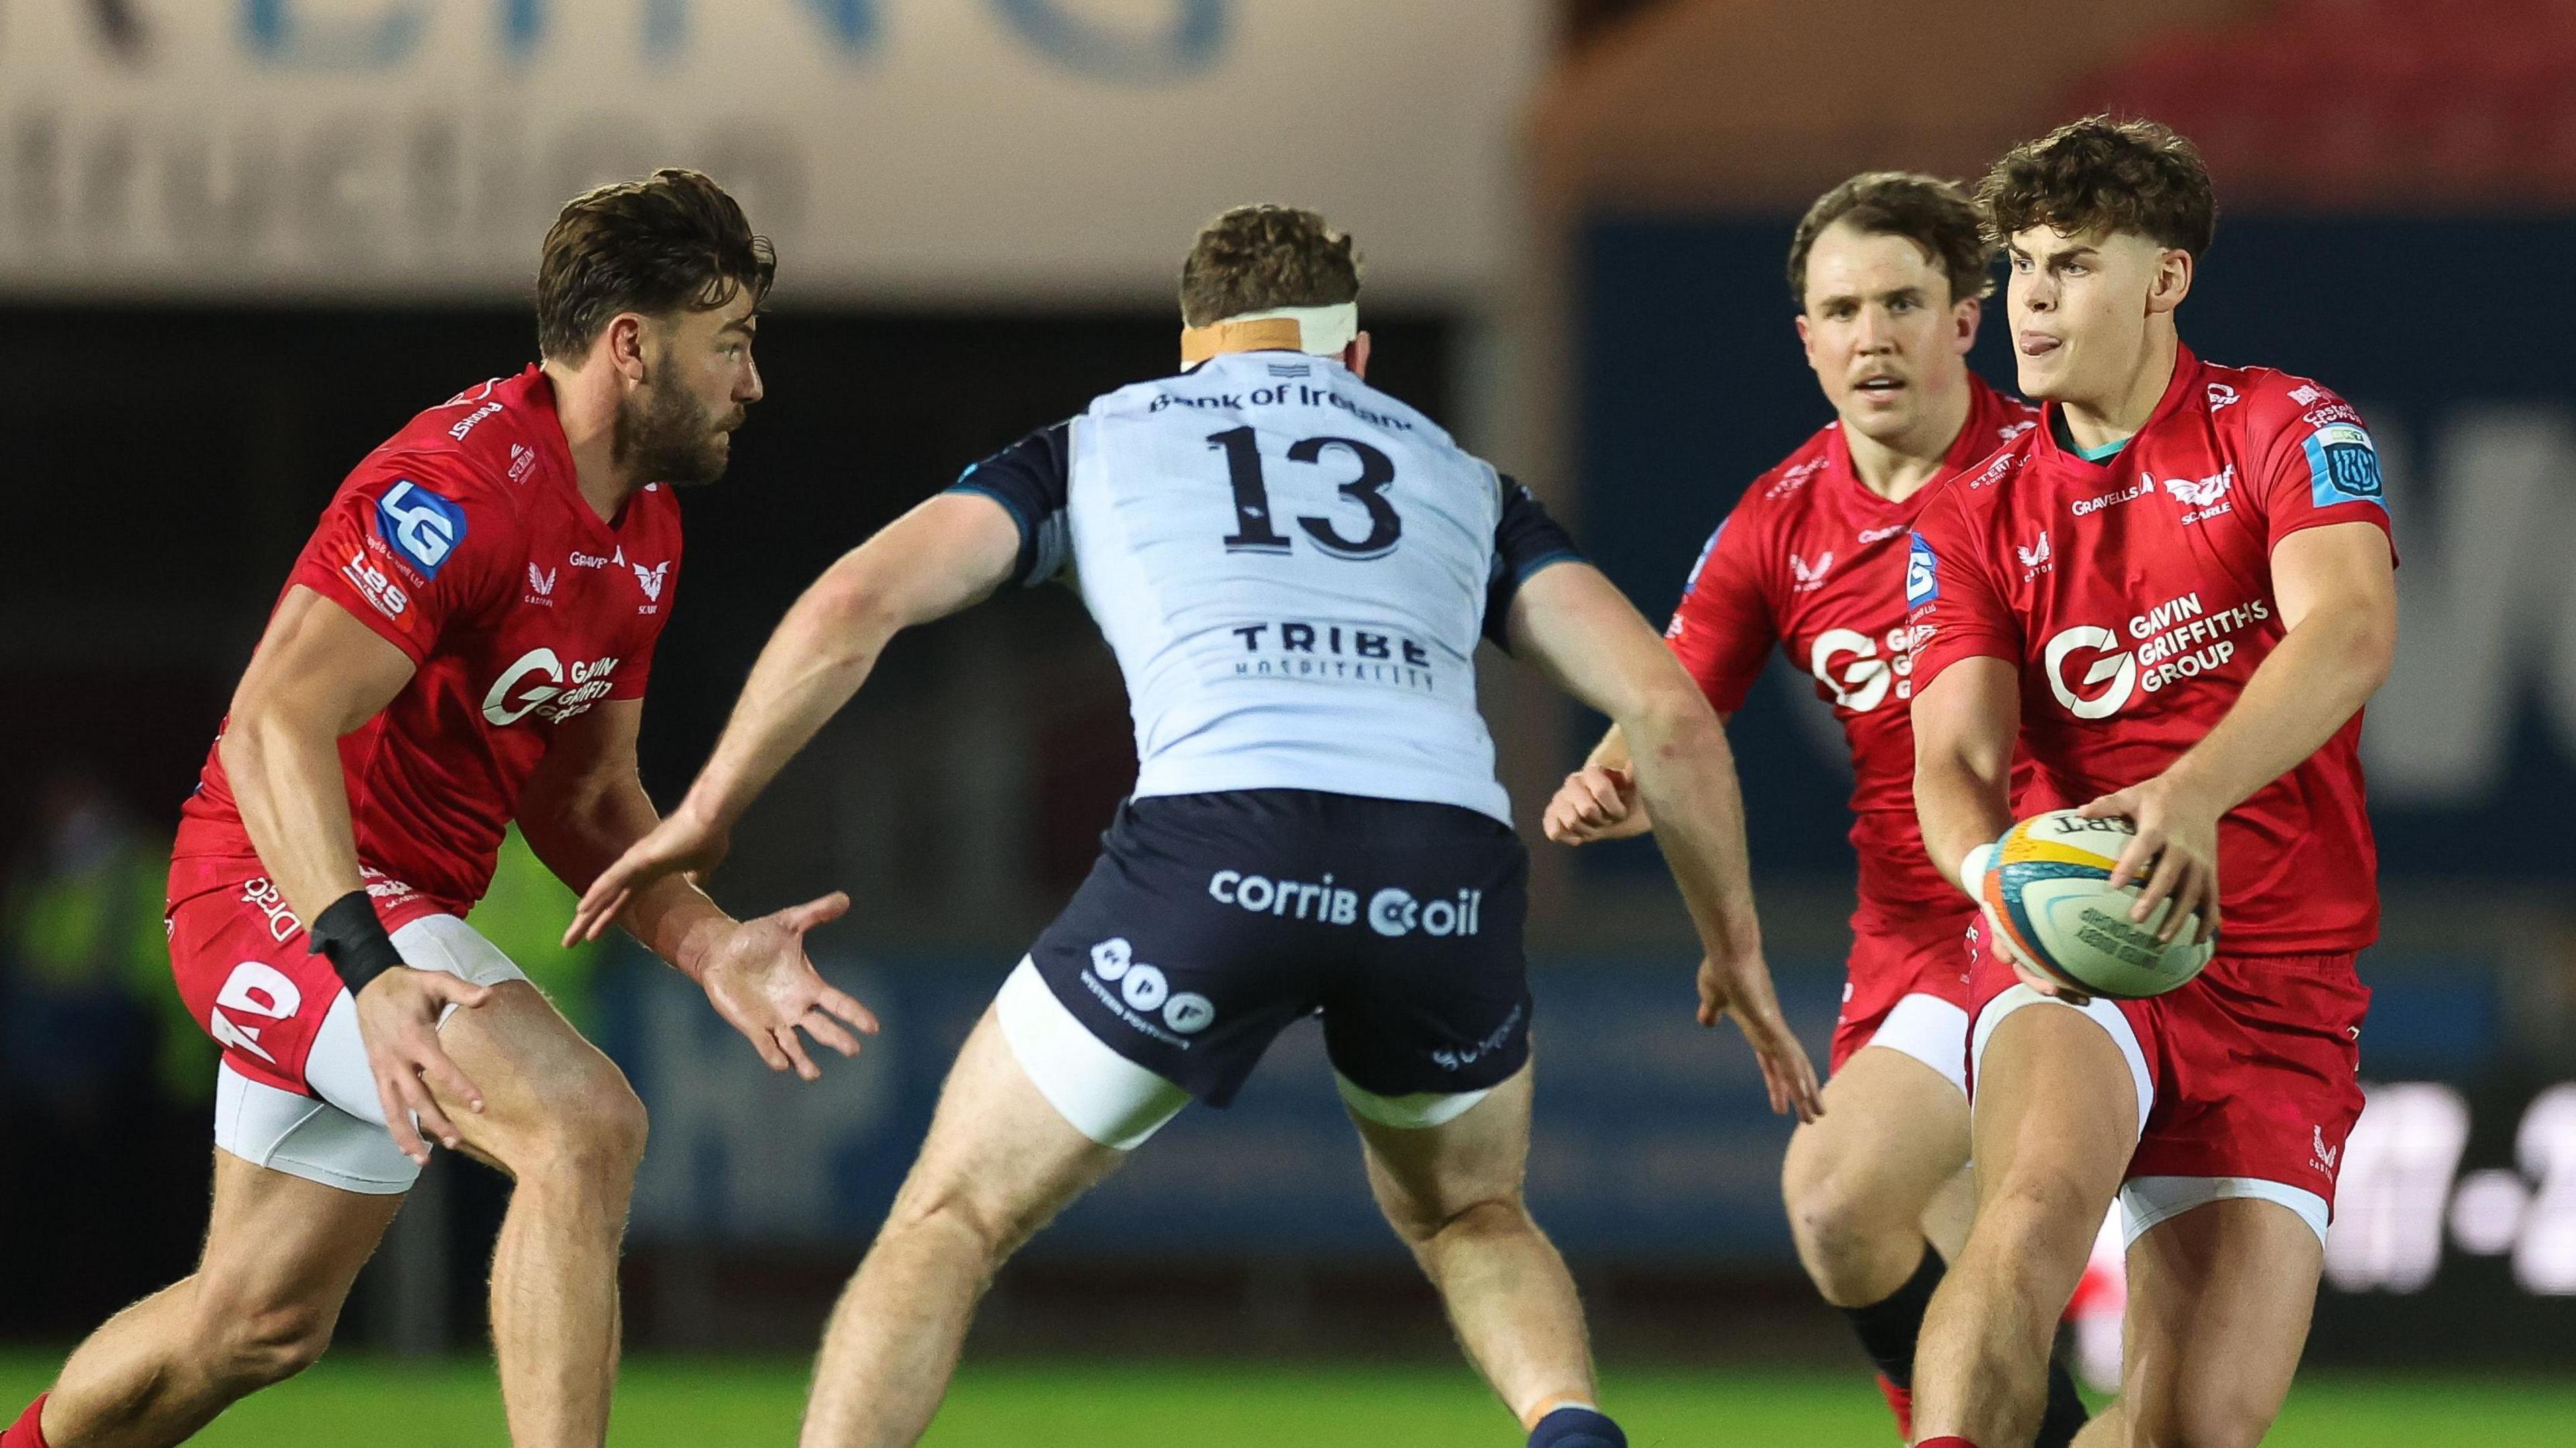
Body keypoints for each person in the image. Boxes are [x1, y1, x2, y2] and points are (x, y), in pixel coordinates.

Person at [570, 204, 1822, 1448]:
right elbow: (1667, 711)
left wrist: (711, 809)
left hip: (1223, 850)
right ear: (1358, 359)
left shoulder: (1101, 440)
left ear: (1192, 347)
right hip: (1439, 872)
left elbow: (855, 601)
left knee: (952, 1216)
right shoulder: (1464, 480)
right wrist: (1736, 952)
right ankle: (1570, 1427)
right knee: (1472, 1217)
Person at [3, 169, 874, 1448]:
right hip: (280, 892)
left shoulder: (644, 531)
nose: (753, 383)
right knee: (585, 1131)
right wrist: (362, 962)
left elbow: (582, 799)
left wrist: (708, 942)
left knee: (253, 1328)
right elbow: (271, 725)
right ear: (632, 346)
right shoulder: (458, 490)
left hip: (390, 926)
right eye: (731, 345)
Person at [1541, 172, 2086, 1445]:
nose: (1873, 335)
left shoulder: (2058, 472)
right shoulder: (1780, 520)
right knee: (1955, 1300)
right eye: (1841, 310)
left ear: (1967, 316)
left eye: (1904, 301)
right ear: (1807, 338)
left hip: (2044, 920)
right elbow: (1673, 705)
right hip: (1903, 945)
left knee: (1839, 1199)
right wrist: (1615, 777)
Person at [1902, 117, 2397, 1448]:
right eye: (2019, 269)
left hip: (2278, 974)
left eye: (2069, 265)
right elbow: (1949, 756)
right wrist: (1990, 877)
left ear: (2166, 278)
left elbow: (2347, 631)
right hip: (2074, 927)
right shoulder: (1977, 499)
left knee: (2198, 1428)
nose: (2033, 301)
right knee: (2035, 1205)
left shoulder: (2284, 426)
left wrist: (2191, 793)